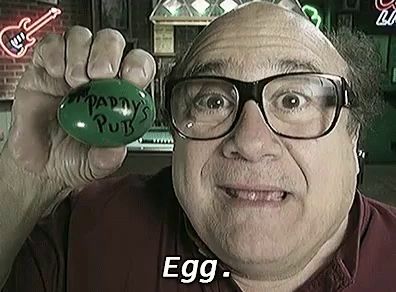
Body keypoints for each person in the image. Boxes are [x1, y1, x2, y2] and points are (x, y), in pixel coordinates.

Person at [0, 1, 395, 292]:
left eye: (293, 100)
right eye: (213, 101)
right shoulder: (86, 234)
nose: (251, 142)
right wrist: (25, 180)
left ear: (353, 134)